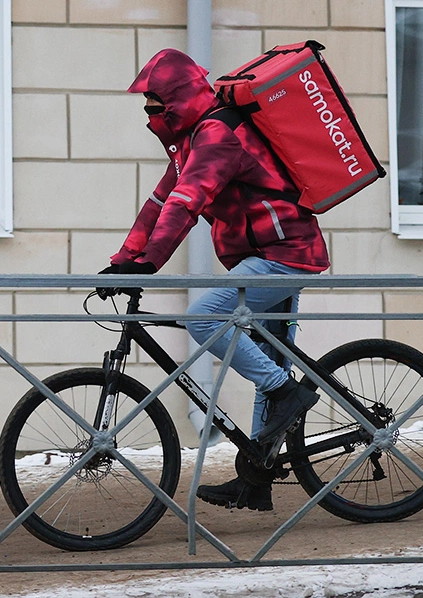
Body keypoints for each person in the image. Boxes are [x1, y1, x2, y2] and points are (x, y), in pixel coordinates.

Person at [97, 48, 330, 512]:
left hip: (285, 255)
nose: (149, 115)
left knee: (205, 317)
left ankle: (288, 393)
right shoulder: (189, 142)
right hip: (259, 257)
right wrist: (123, 260)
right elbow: (157, 204)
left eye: (154, 105)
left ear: (178, 99)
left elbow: (186, 201)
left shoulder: (218, 135)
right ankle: (258, 476)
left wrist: (148, 265)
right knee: (267, 357)